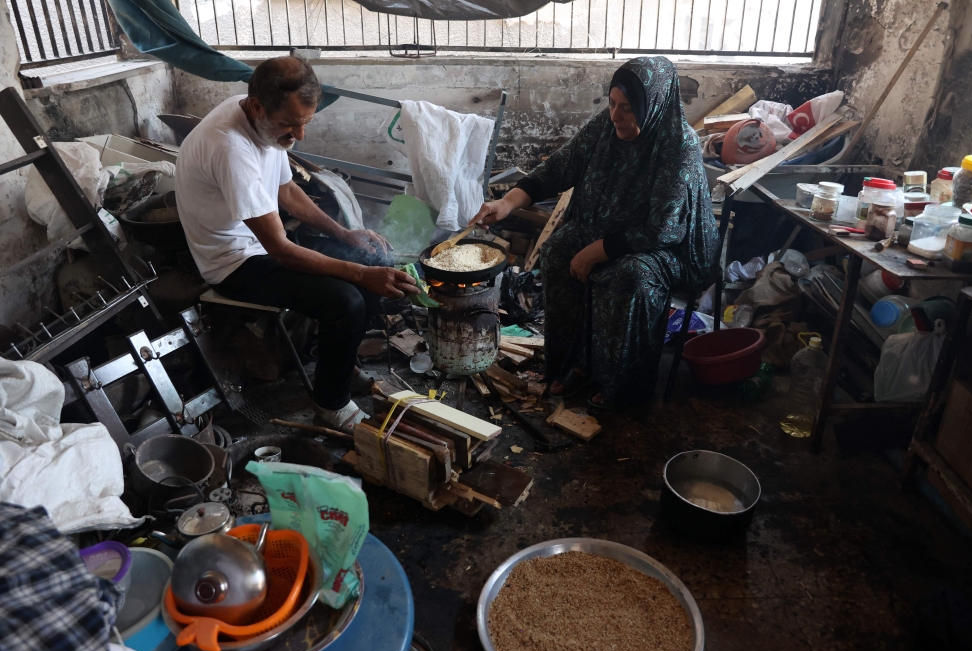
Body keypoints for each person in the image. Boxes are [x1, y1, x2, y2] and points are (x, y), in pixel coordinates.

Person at [176, 56, 418, 430]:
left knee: (368, 255)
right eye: (291, 125)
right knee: (348, 299)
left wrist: (345, 234)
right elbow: (282, 251)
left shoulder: (263, 119)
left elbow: (286, 189)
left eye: (305, 122)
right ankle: (330, 404)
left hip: (265, 246)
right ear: (257, 106)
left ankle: (338, 364)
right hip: (232, 262)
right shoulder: (230, 147)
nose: (298, 136)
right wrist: (360, 274)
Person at [469, 56, 720, 407]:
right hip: (607, 230)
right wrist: (507, 203)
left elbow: (664, 229)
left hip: (667, 249)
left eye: (628, 108)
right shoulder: (607, 124)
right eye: (613, 104)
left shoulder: (678, 145)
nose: (616, 115)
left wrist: (596, 251)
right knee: (557, 252)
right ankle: (577, 363)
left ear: (655, 104)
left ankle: (619, 382)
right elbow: (559, 167)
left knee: (627, 276)